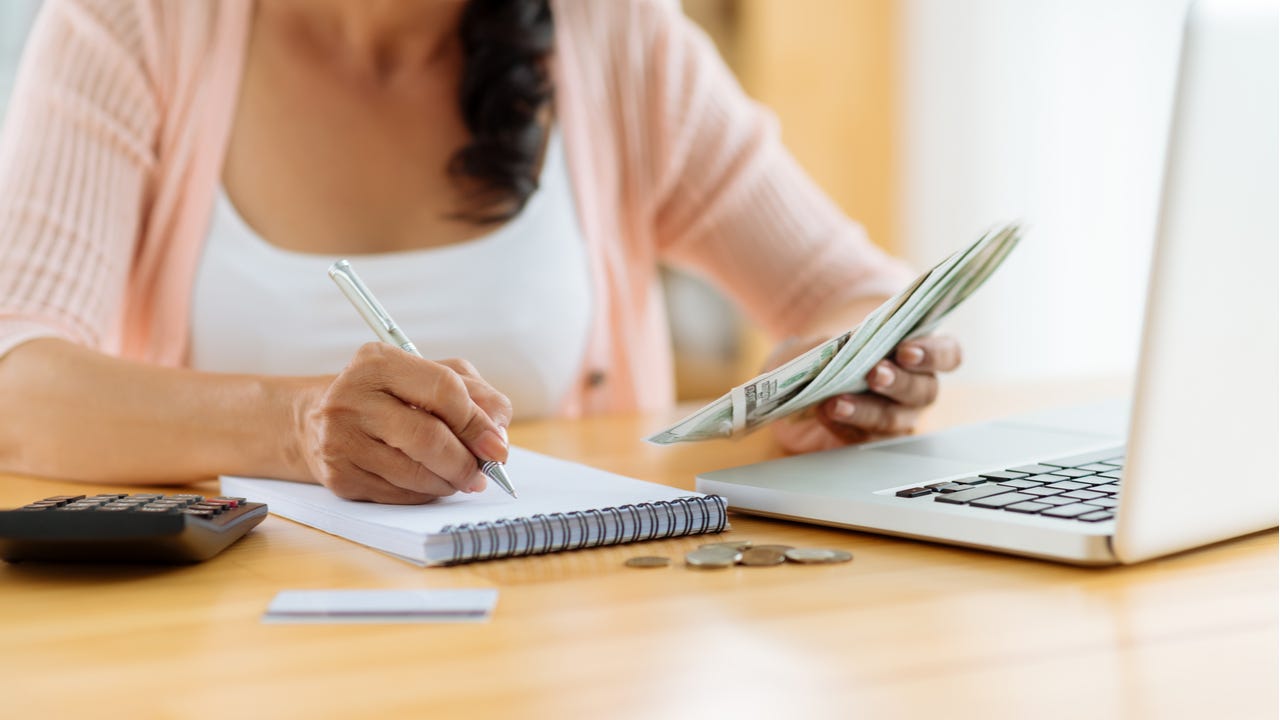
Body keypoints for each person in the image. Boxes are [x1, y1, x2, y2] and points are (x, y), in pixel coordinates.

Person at [0, 0, 961, 504]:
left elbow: (853, 291)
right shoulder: (131, 25)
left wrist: (849, 374)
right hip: (225, 644)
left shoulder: (612, 34)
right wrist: (293, 426)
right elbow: (17, 383)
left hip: (564, 636)